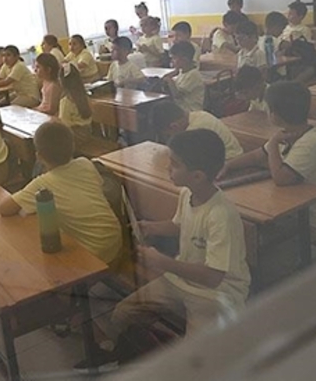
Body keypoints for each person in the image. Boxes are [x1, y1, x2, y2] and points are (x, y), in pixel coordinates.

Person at [77, 129, 249, 369]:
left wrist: (163, 262)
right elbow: (179, 225)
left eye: (175, 164)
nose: (169, 168)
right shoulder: (188, 193)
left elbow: (213, 277)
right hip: (180, 281)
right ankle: (120, 354)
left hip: (215, 295)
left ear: (197, 175)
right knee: (122, 313)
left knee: (197, 362)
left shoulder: (221, 214)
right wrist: (151, 227)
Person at [226, 82, 316, 239]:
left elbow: (280, 178)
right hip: (300, 209)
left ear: (274, 115)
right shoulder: (289, 133)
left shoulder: (309, 142)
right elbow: (257, 156)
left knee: (252, 230)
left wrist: (274, 144)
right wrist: (228, 165)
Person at [0, 120, 121, 265]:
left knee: (35, 254)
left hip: (94, 254)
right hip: (115, 242)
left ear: (39, 157)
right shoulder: (85, 164)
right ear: (73, 146)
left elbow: (4, 209)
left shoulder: (42, 184)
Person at [151, 103, 244, 160]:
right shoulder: (197, 115)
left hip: (229, 163)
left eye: (168, 135)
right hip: (224, 160)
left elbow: (189, 161)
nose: (169, 139)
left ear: (174, 126)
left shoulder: (194, 130)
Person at [162, 41, 208, 113]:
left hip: (190, 111)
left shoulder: (193, 75)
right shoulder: (182, 71)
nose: (172, 61)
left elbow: (177, 95)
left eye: (174, 58)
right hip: (180, 109)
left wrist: (169, 81)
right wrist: (172, 74)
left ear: (184, 59)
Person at [58, 63, 95, 141]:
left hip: (74, 137)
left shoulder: (66, 101)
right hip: (87, 133)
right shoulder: (85, 97)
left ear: (61, 82)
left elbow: (65, 124)